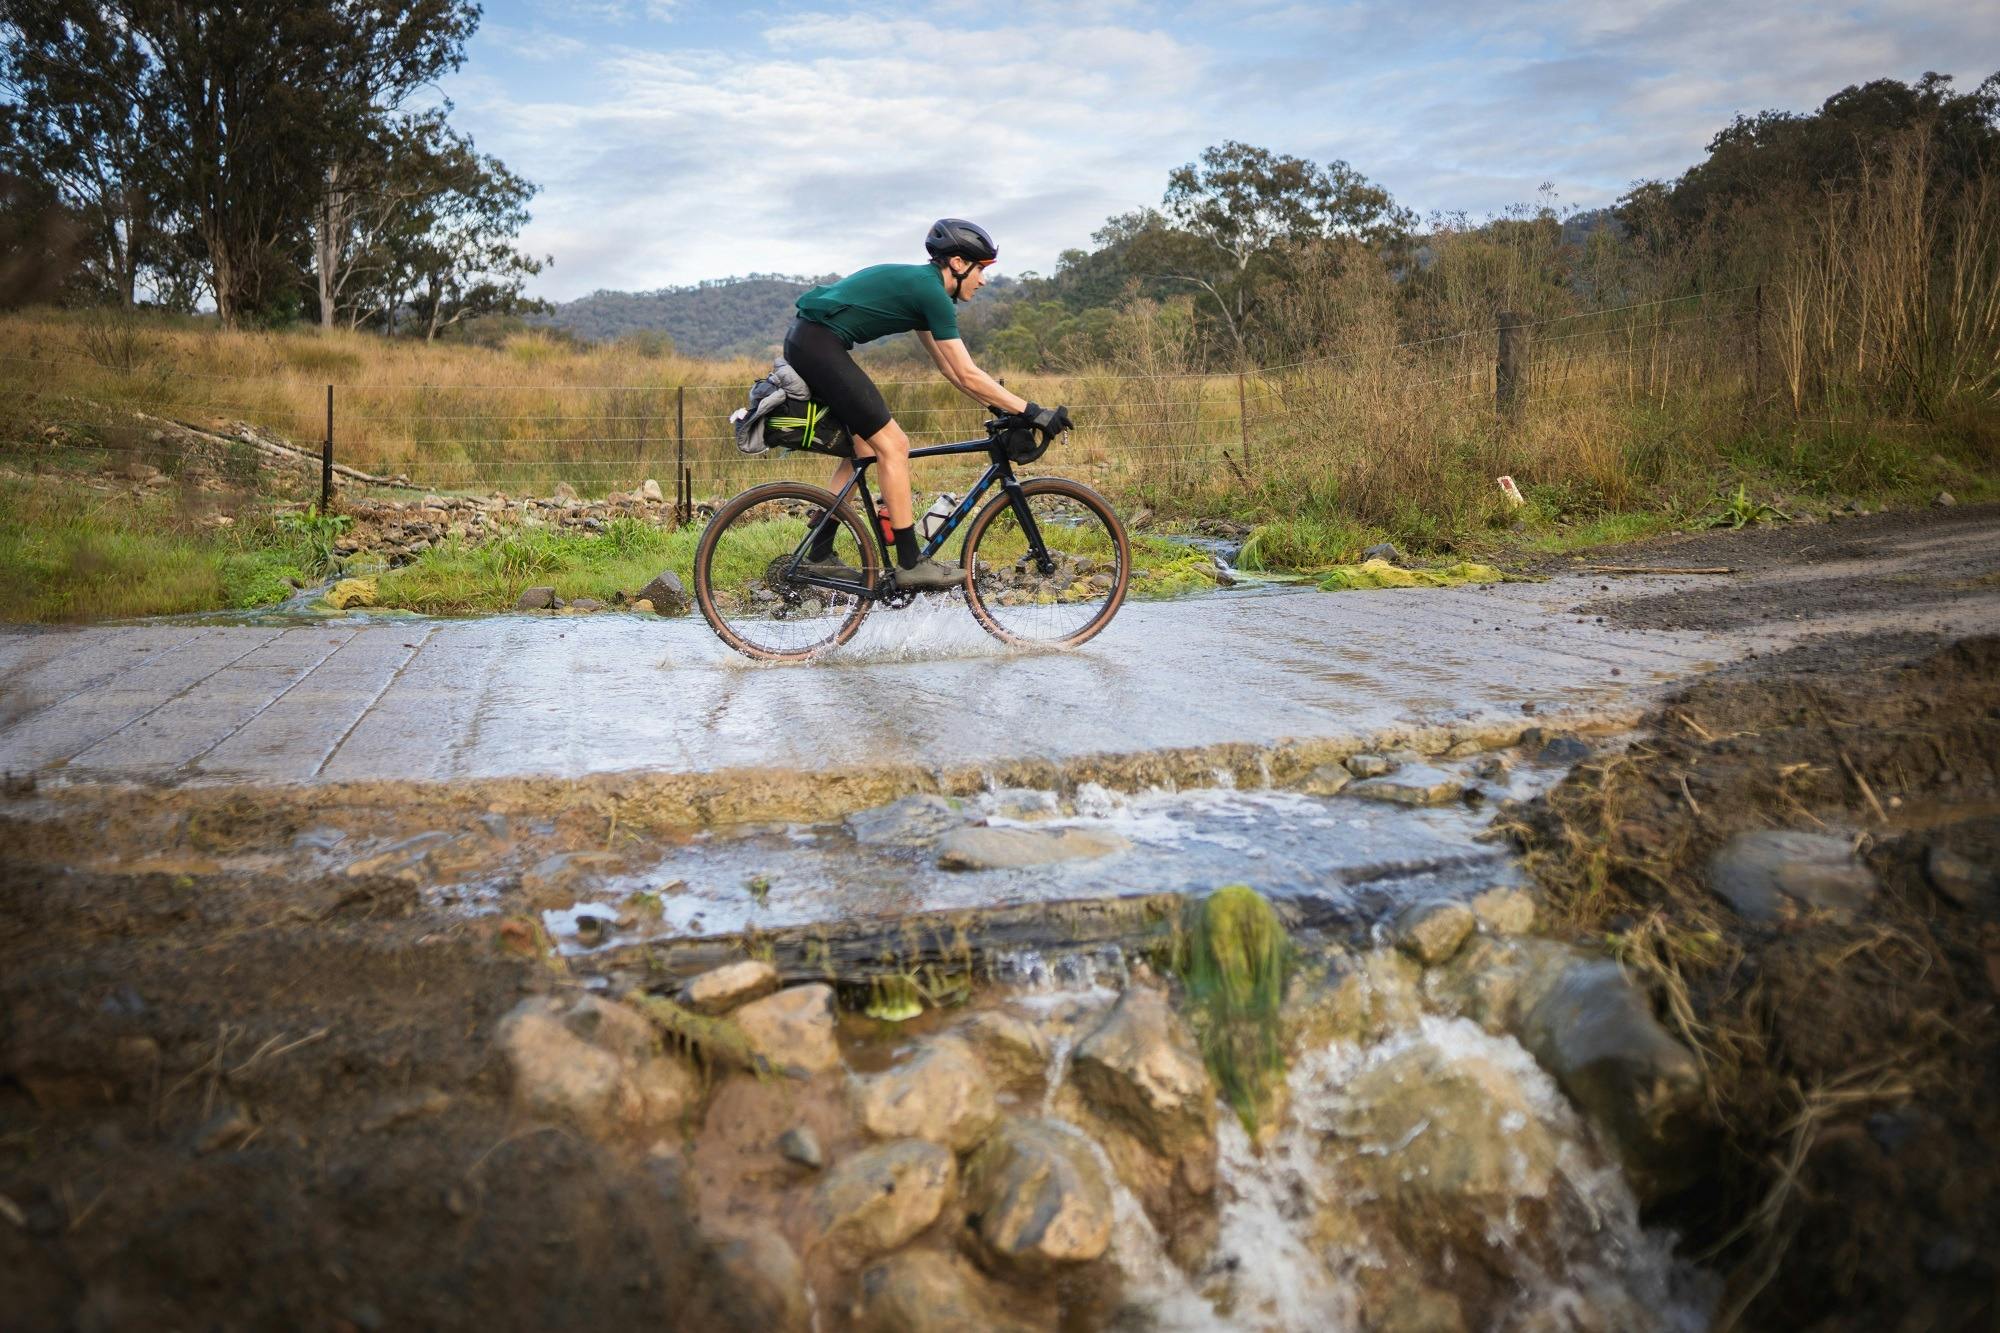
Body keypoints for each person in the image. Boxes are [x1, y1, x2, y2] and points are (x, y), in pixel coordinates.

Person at [784, 218, 1069, 591]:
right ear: (957, 263)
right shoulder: (931, 292)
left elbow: (951, 371)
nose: (983, 280)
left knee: (866, 445)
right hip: (819, 344)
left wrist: (1001, 409)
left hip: (809, 341)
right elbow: (967, 372)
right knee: (895, 445)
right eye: (981, 269)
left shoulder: (924, 290)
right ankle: (909, 562)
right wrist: (1032, 411)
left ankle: (819, 553)